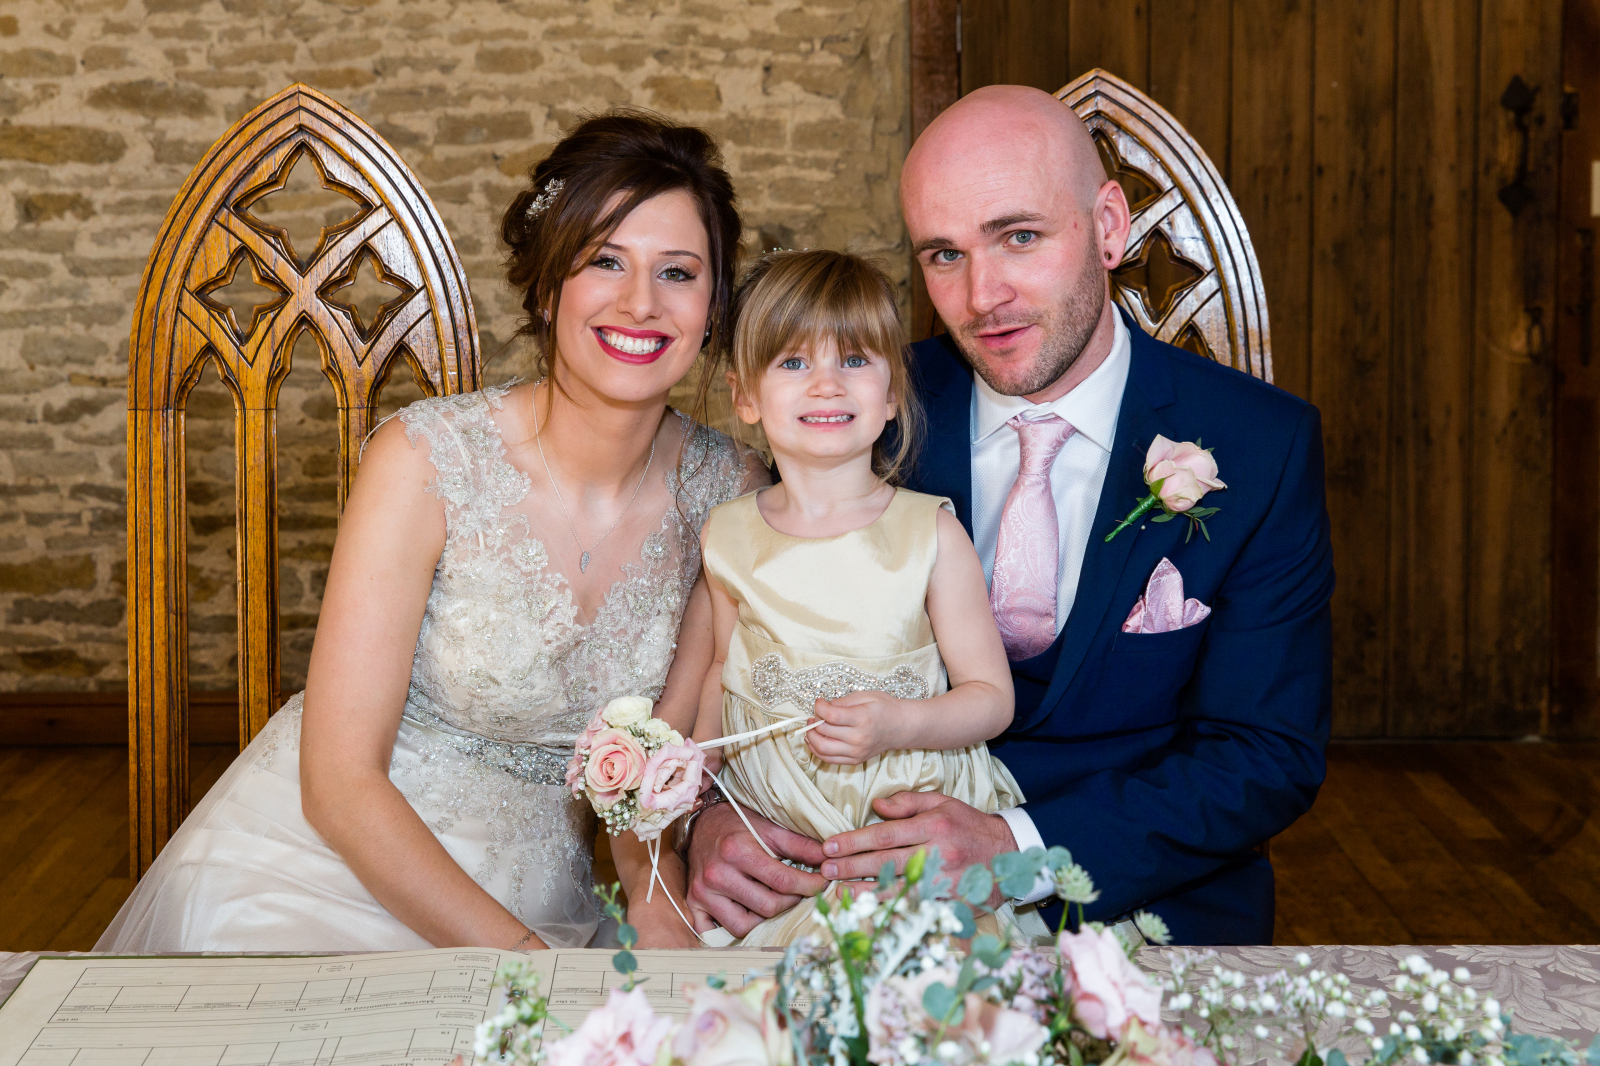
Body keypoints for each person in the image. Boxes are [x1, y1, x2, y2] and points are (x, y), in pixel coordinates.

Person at [97, 110, 764, 953]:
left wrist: (653, 897)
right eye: (605, 260)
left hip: (547, 901)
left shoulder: (729, 494)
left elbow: (669, 761)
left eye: (677, 272)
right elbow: (339, 783)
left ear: (712, 307)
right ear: (548, 287)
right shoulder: (426, 460)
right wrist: (528, 966)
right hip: (323, 872)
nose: (641, 301)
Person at [685, 85, 1333, 946]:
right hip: (850, 890)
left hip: (1143, 901)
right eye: (943, 254)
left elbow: (1264, 755)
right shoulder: (858, 408)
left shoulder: (1260, 445)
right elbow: (752, 654)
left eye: (1019, 237)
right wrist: (710, 820)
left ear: (1109, 228)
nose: (982, 294)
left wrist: (1016, 847)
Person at [684, 250, 1022, 946]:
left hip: (899, 822)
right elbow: (722, 667)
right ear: (745, 396)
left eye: (855, 360)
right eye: (793, 362)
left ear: (892, 392)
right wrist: (698, 774)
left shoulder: (929, 532)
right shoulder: (727, 534)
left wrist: (901, 723)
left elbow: (992, 698)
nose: (827, 384)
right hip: (779, 823)